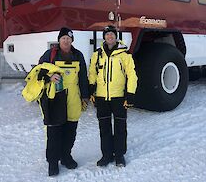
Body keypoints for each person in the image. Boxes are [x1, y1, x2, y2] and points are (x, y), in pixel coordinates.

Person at [39, 27, 89, 176]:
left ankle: (66, 156)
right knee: (54, 132)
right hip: (55, 98)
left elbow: (83, 77)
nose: (66, 41)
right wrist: (49, 77)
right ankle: (53, 162)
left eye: (68, 38)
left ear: (72, 40)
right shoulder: (50, 54)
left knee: (70, 130)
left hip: (73, 98)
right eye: (63, 38)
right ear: (59, 40)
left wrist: (85, 96)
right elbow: (38, 72)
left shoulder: (78, 55)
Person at [89, 25, 138, 167]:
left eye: (112, 34)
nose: (109, 37)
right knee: (104, 128)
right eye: (107, 34)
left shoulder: (125, 55)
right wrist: (91, 89)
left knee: (120, 128)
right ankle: (106, 155)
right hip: (101, 97)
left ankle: (119, 155)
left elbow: (132, 75)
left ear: (115, 37)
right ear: (103, 37)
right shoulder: (97, 55)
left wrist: (130, 94)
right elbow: (92, 73)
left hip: (119, 97)